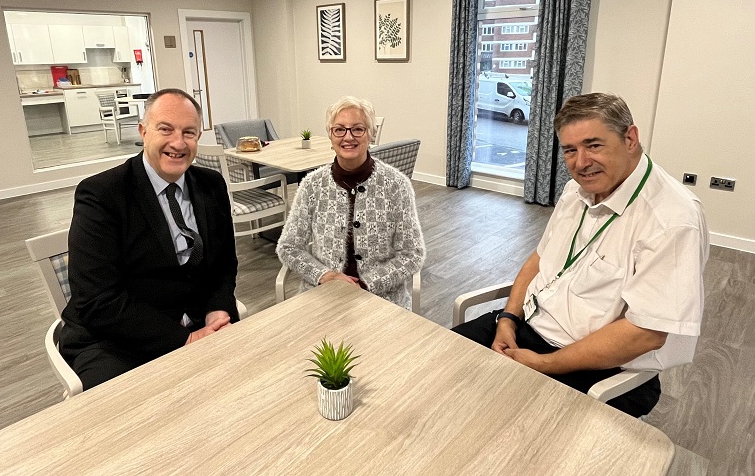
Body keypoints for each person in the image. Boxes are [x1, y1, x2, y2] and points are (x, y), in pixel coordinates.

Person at [453, 92, 708, 417]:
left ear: (630, 138)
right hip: (526, 327)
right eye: (570, 150)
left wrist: (546, 364)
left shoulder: (672, 218)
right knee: (433, 366)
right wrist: (507, 319)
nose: (581, 162)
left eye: (594, 145)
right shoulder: (578, 188)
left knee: (498, 430)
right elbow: (541, 260)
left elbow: (646, 333)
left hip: (600, 367)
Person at [60, 88, 240, 390]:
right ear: (143, 131)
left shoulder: (211, 185)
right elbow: (98, 301)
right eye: (165, 129)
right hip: (117, 340)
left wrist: (217, 309)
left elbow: (223, 264)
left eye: (189, 132)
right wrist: (185, 339)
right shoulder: (102, 195)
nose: (178, 143)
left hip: (198, 321)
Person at [277, 96, 425, 309]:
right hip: (322, 295)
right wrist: (324, 275)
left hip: (383, 299)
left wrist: (367, 283)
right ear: (330, 135)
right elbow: (289, 247)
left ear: (370, 134)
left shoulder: (396, 185)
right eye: (339, 129)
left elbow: (412, 254)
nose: (348, 137)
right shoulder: (312, 185)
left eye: (358, 129)